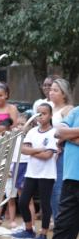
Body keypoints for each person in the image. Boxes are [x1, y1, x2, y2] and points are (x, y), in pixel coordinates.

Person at [28, 106, 79, 239]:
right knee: (63, 228)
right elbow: (59, 132)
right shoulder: (76, 111)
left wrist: (68, 137)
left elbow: (64, 134)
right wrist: (66, 135)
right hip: (71, 179)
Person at [12, 104, 57, 239]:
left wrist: (32, 151)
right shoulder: (32, 132)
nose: (40, 116)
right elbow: (23, 150)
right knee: (23, 201)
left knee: (45, 204)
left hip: (47, 174)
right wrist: (38, 150)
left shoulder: (53, 133)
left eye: (44, 113)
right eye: (38, 113)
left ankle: (43, 234)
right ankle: (29, 229)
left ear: (50, 116)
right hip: (32, 172)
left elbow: (48, 155)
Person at [49, 79, 73, 225]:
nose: (51, 92)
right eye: (51, 89)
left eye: (55, 90)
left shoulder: (68, 109)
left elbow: (68, 132)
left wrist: (60, 143)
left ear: (64, 94)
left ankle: (60, 221)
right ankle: (56, 218)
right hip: (48, 154)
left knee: (59, 188)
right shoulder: (49, 107)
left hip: (62, 153)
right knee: (51, 187)